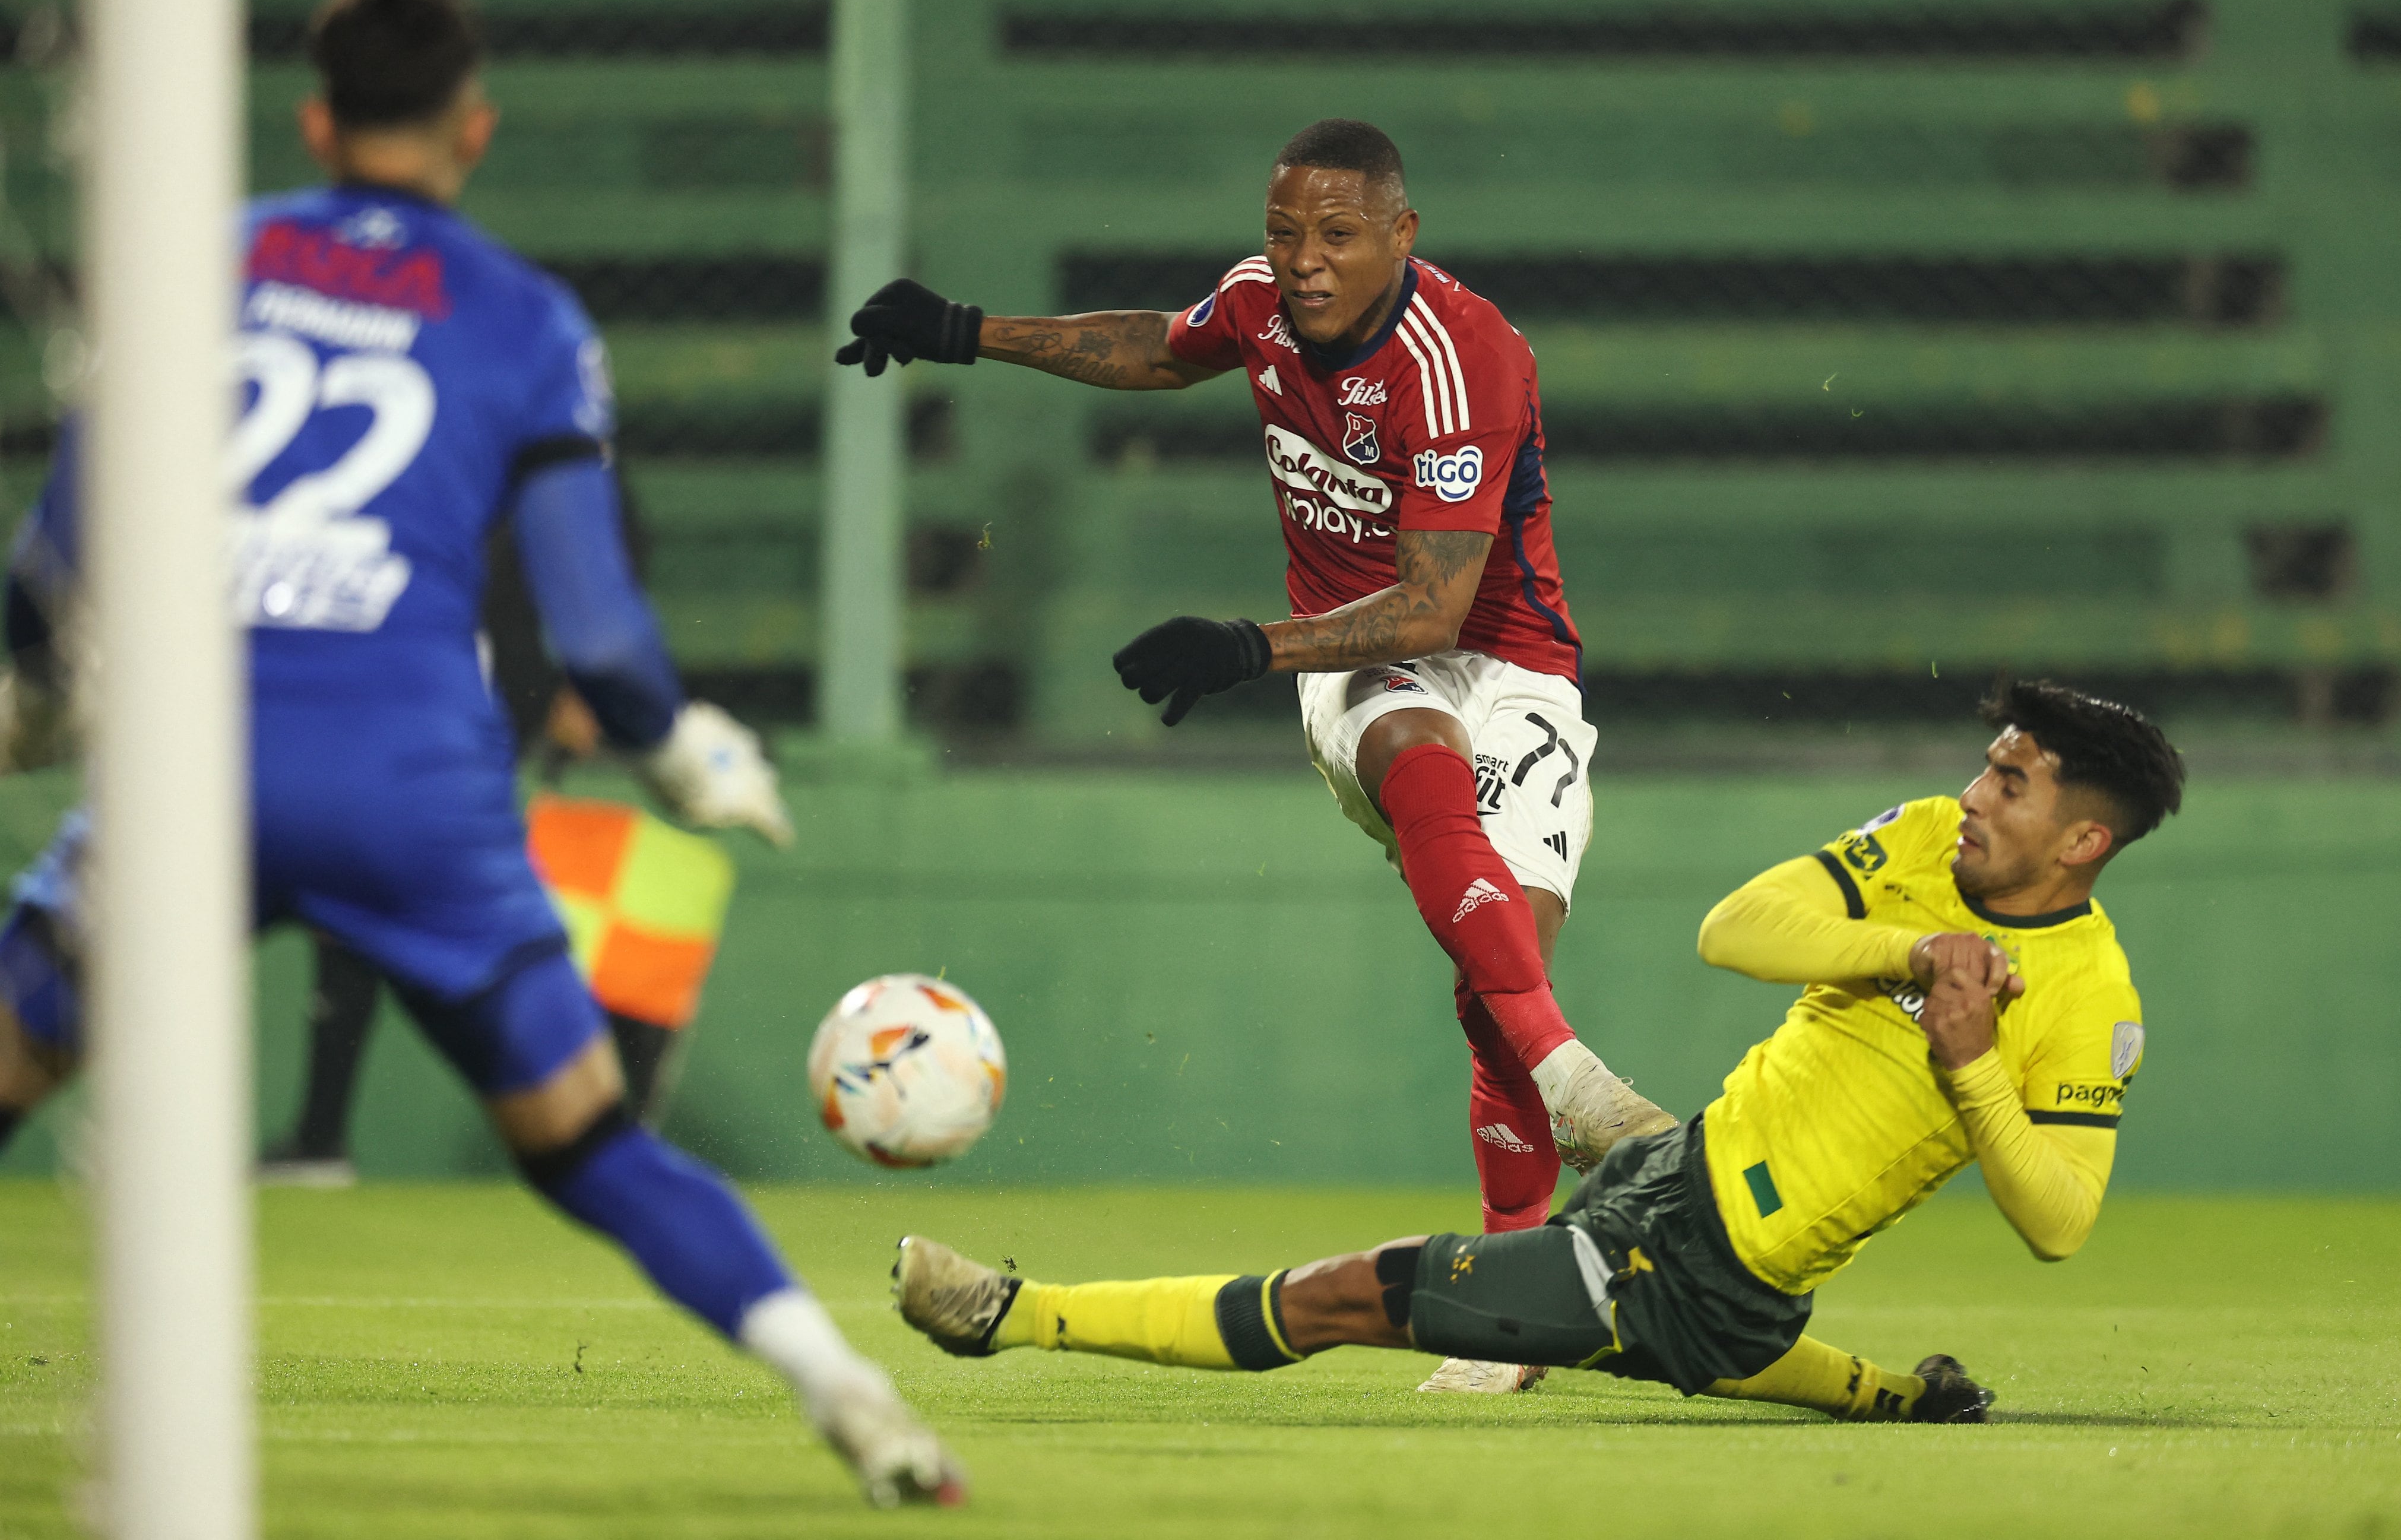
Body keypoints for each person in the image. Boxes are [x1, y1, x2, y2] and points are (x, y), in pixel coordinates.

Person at [0, 0, 958, 1506]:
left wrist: (39, 701)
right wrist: (682, 747)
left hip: (196, 759)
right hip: (411, 781)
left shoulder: (197, 254)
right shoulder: (525, 318)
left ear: (315, 118)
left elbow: (63, 544)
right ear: (476, 128)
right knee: (590, 1148)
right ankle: (839, 1384)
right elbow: (595, 638)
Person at [835, 119, 1665, 1393]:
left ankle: (1510, 1300)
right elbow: (1162, 352)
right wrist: (967, 331)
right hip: (1352, 661)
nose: (1303, 264)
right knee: (1410, 744)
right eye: (1284, 234)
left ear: (1402, 232)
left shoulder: (1465, 359)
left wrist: (1240, 643)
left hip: (1511, 669)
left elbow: (1438, 607)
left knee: (1493, 976)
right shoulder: (1254, 305)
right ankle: (1574, 1082)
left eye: (1335, 236)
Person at [891, 682, 2184, 1427]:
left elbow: (2060, 1220)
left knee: (1355, 1292)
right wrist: (1909, 957)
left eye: (2011, 783)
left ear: (2081, 842)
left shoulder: (2086, 994)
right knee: (1705, 1316)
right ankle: (1900, 1396)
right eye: (1985, 762)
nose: (1971, 790)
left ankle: (1015, 1315)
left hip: (1702, 1259)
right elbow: (1732, 930)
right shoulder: (1916, 844)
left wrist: (1967, 1062)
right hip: (1684, 1170)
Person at [260, 483, 715, 1186]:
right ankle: (321, 1137)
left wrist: (579, 688)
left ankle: (611, 1129)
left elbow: (607, 573)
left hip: (488, 712)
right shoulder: (465, 445)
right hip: (434, 703)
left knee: (567, 917)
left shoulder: (562, 455)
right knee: (364, 905)